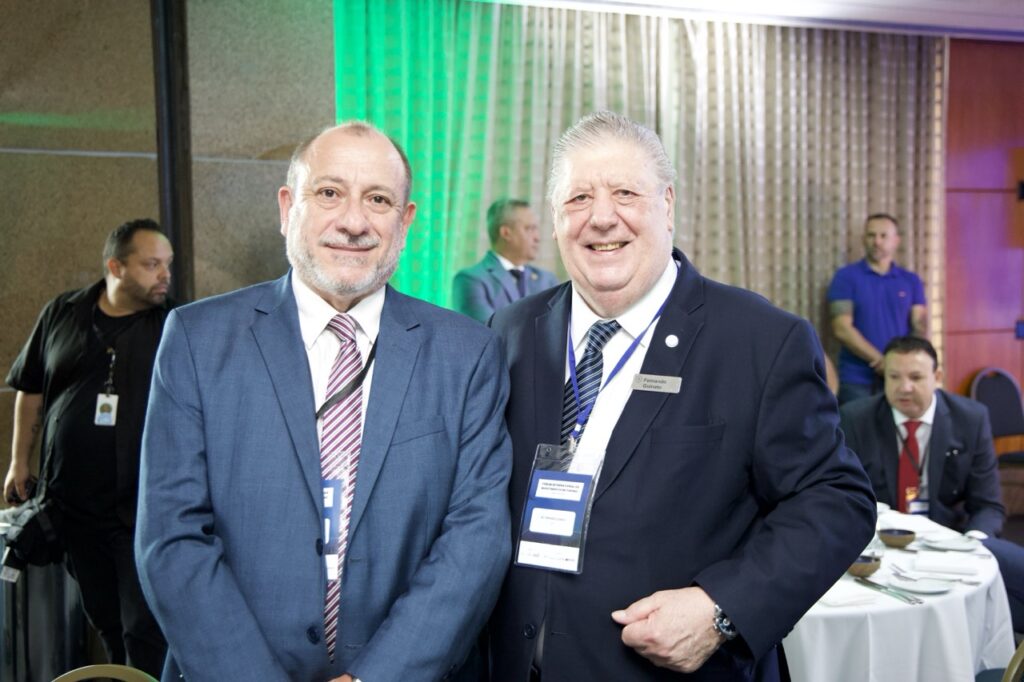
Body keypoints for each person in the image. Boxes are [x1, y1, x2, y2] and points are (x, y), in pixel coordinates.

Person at [486, 111, 876, 681]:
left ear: (667, 204)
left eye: (625, 192)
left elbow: (836, 499)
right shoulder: (510, 331)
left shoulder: (760, 341)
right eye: (578, 199)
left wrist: (721, 609)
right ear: (555, 217)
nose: (601, 217)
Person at [134, 122, 512, 681]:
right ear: (289, 208)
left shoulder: (468, 354)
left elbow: (476, 538)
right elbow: (171, 538)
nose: (354, 222)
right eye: (329, 193)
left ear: (404, 222)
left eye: (378, 200)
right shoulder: (197, 339)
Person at [5, 219, 173, 676]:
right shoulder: (64, 311)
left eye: (168, 264)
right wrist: (19, 460)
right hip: (74, 505)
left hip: (139, 509)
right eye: (152, 264)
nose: (165, 275)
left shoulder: (173, 326)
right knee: (107, 621)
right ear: (115, 266)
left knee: (145, 626)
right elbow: (31, 387)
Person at [839, 335, 1024, 630]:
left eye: (915, 377)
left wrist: (971, 544)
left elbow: (988, 504)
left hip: (951, 542)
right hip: (881, 547)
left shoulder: (970, 419)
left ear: (937, 377)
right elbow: (842, 497)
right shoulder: (856, 418)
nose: (904, 387)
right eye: (894, 376)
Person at [828, 213, 927, 405]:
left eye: (883, 236)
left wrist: (902, 364)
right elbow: (842, 328)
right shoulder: (845, 277)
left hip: (901, 380)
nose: (877, 241)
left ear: (896, 241)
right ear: (863, 239)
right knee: (858, 433)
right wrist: (883, 361)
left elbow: (919, 326)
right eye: (871, 235)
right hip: (856, 380)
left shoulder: (910, 280)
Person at [452, 198, 559, 322]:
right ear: (506, 233)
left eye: (536, 229)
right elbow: (487, 331)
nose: (537, 238)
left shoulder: (547, 280)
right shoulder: (470, 280)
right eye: (529, 229)